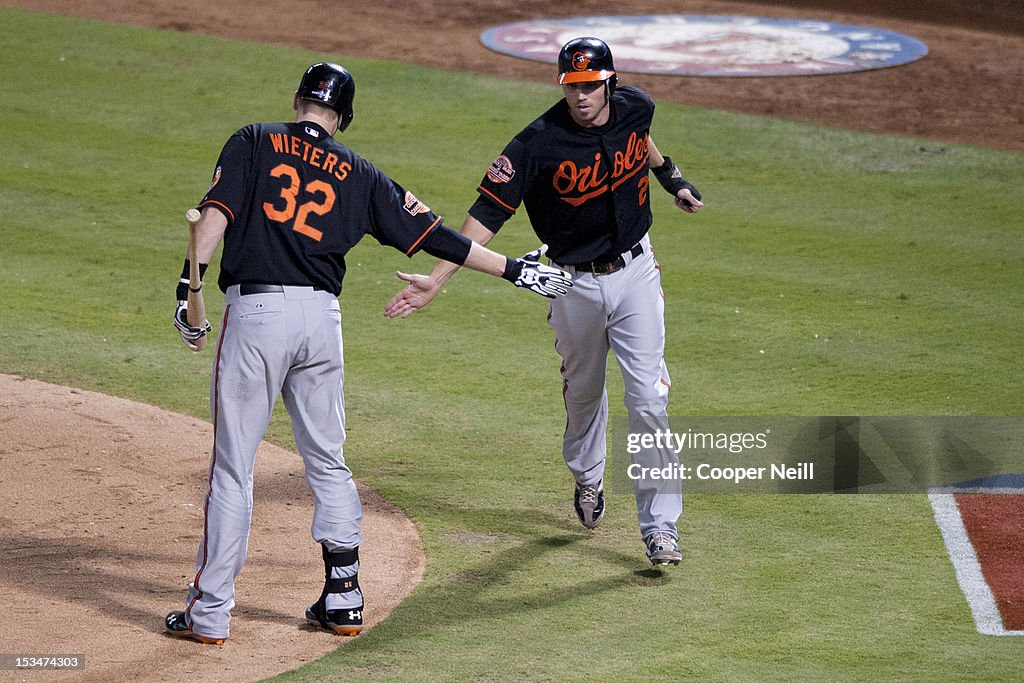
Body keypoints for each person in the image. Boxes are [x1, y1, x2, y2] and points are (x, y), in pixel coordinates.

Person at [165, 61, 572, 645]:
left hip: (256, 316)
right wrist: (512, 270)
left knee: (233, 468)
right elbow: (437, 234)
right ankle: (343, 597)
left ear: (299, 99)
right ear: (343, 118)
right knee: (327, 460)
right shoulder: (361, 173)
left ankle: (209, 613)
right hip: (321, 324)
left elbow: (213, 218)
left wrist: (189, 285)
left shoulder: (253, 140)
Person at [385, 37, 703, 566]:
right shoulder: (536, 144)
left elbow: (642, 140)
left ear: (610, 83)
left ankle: (661, 527)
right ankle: (587, 476)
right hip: (570, 283)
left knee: (649, 397)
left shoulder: (636, 107)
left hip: (637, 272)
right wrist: (439, 278)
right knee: (584, 394)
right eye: (571, 86)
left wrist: (671, 178)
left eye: (590, 85)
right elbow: (485, 215)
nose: (580, 96)